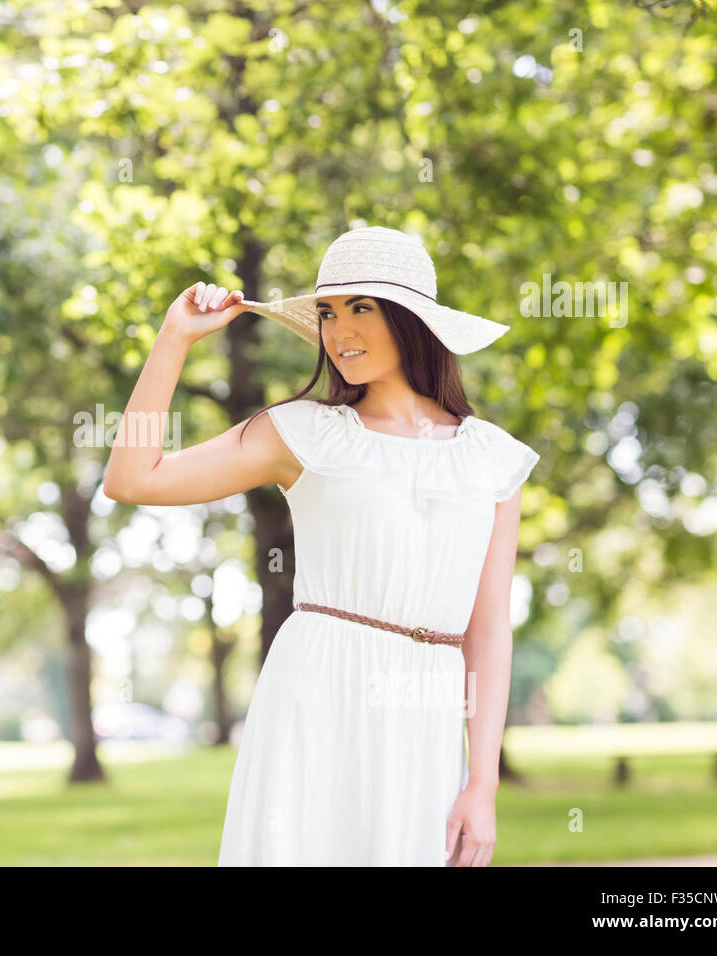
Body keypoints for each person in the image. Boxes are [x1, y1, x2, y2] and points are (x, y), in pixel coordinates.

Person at [103, 226, 541, 866]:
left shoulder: (494, 459)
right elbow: (133, 477)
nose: (339, 332)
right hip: (316, 691)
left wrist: (483, 784)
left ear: (411, 321)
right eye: (330, 313)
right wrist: (174, 341)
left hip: (426, 709)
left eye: (361, 309)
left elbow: (489, 628)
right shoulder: (303, 432)